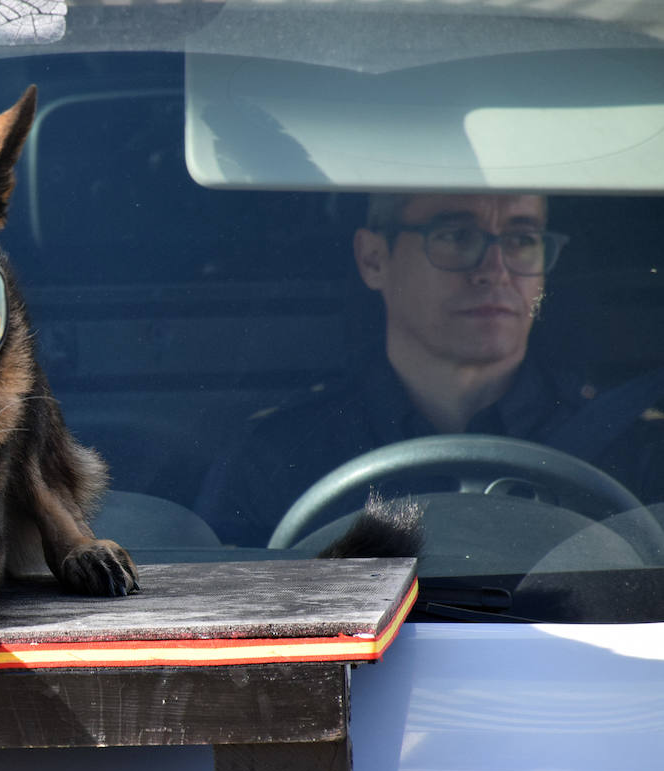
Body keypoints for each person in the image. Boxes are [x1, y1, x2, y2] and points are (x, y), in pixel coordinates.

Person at [195, 191, 664, 547]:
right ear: (374, 259)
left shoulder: (637, 451)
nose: (495, 270)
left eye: (522, 239)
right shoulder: (277, 457)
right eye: (457, 236)